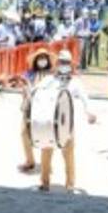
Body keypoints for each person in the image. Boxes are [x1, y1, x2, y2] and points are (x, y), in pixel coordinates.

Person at [35, 51, 96, 191]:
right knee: (46, 151)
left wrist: (90, 112)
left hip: (67, 122)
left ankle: (70, 184)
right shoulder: (48, 80)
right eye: (61, 62)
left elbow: (85, 98)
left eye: (66, 63)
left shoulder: (75, 83)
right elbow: (37, 93)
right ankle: (45, 183)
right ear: (57, 64)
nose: (64, 65)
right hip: (49, 121)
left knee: (68, 153)